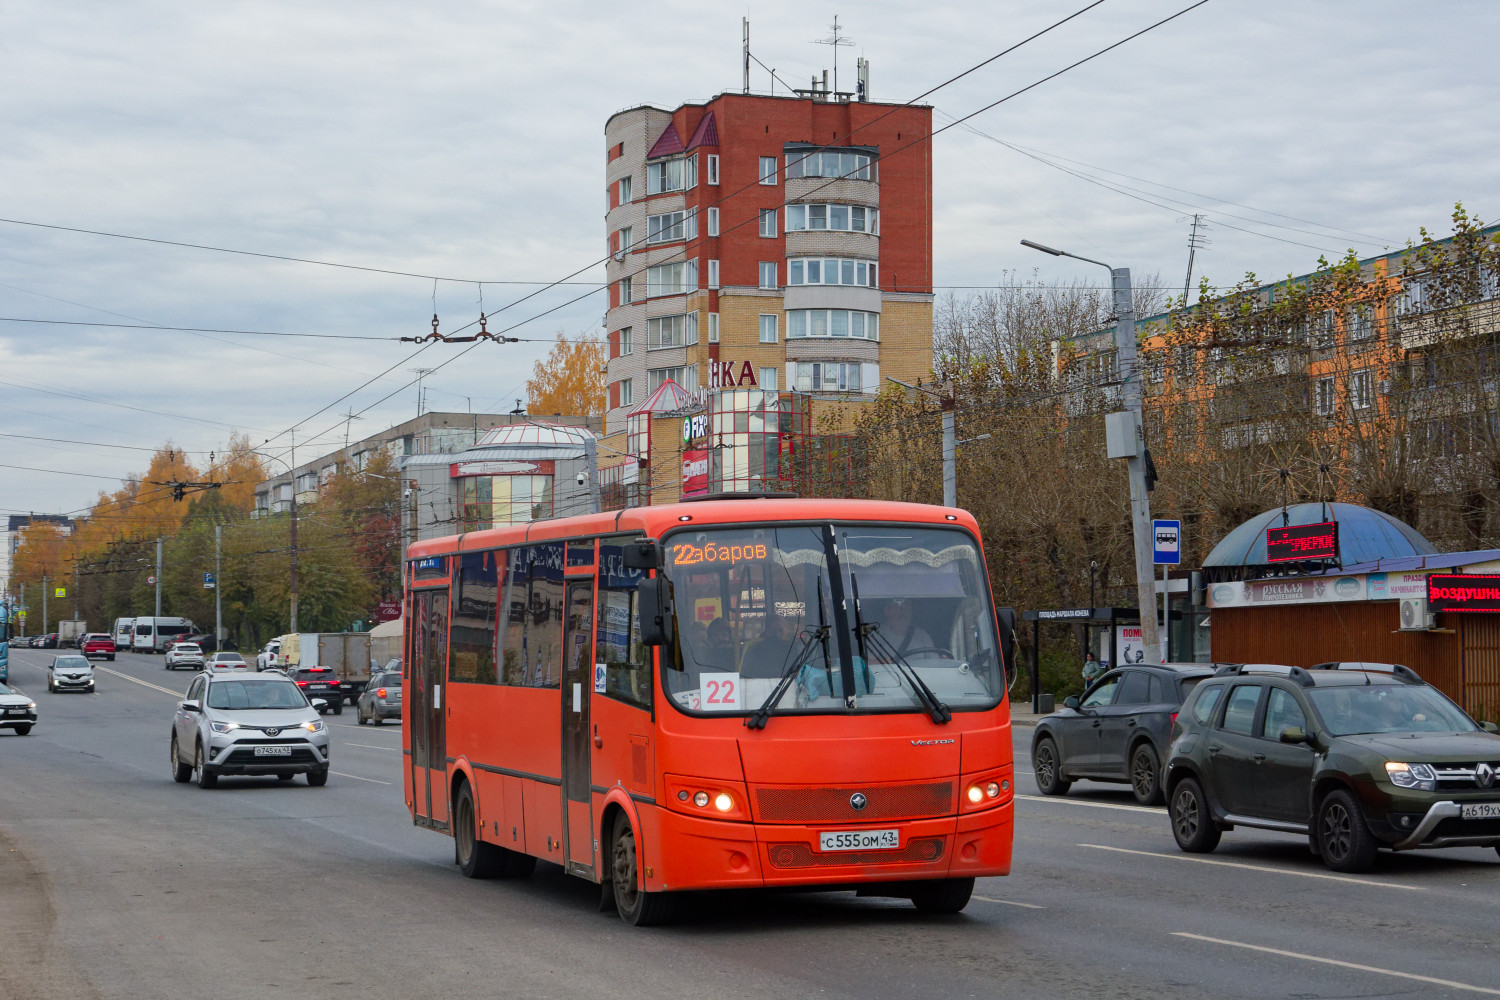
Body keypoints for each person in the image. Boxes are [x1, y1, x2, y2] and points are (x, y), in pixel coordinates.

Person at [741, 612, 804, 678]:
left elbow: (744, 676)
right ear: (784, 631)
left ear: (766, 631)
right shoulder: (797, 649)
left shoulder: (753, 648)